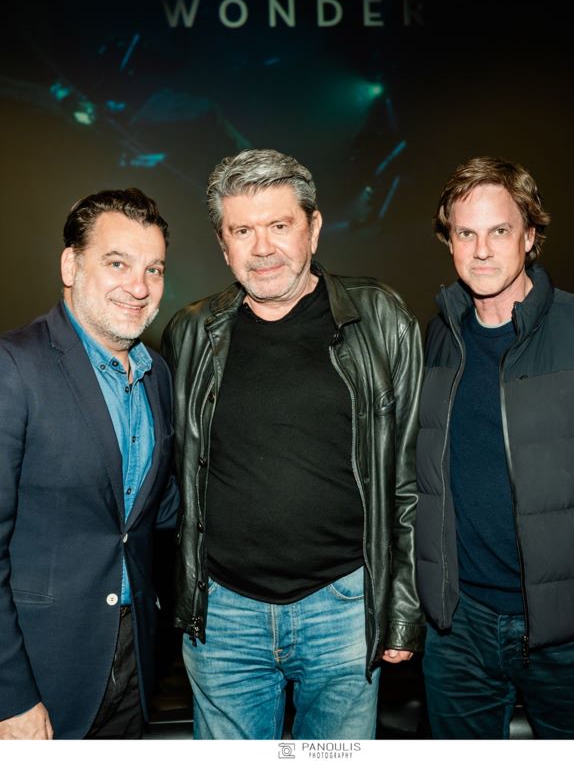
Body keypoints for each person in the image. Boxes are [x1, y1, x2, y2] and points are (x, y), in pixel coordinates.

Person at [161, 148, 425, 739]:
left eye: (279, 225)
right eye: (242, 231)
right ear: (222, 243)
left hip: (344, 608)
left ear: (314, 227)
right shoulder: (190, 333)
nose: (262, 248)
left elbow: (409, 480)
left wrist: (401, 612)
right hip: (223, 617)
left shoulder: (380, 319)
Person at [416, 157, 574, 739]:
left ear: (529, 236)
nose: (481, 250)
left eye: (499, 230)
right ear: (448, 241)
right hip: (458, 631)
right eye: (465, 233)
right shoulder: (437, 337)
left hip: (571, 631)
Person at [0, 188, 178, 739]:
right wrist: (8, 698)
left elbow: (154, 510)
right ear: (71, 265)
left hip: (131, 665)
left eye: (154, 269)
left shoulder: (156, 375)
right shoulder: (3, 366)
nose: (139, 287)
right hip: (32, 675)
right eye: (118, 263)